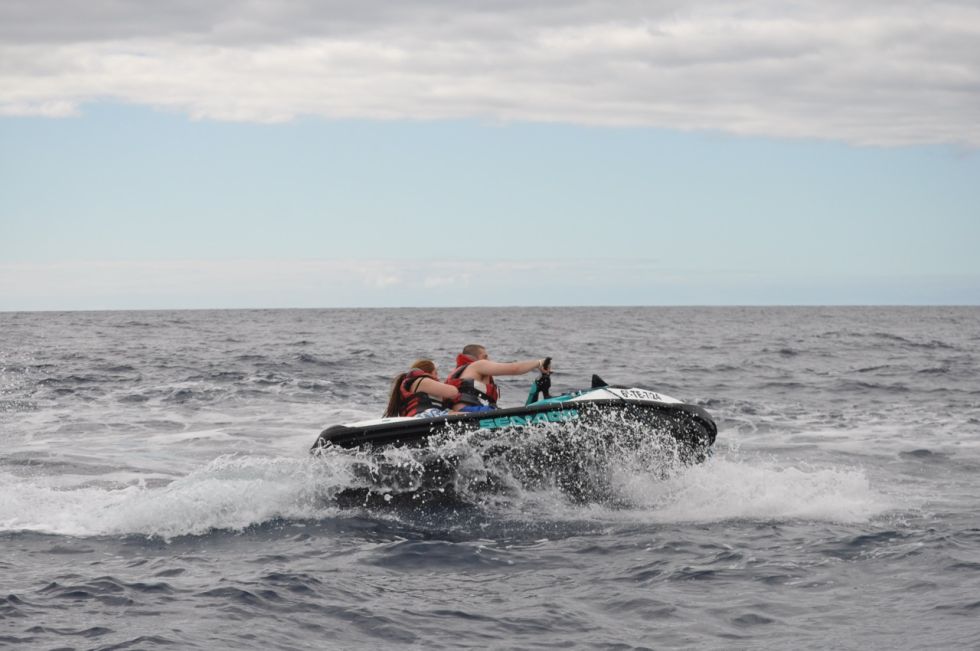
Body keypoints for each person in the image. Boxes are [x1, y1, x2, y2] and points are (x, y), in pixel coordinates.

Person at [446, 344, 551, 412]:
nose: (488, 359)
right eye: (485, 356)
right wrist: (540, 362)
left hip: (466, 412)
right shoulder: (479, 365)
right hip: (470, 411)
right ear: (475, 357)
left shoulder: (461, 371)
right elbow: (515, 369)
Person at [383, 359, 460, 418]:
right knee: (468, 416)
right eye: (435, 373)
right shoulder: (421, 381)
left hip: (419, 416)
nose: (437, 377)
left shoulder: (413, 384)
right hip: (426, 415)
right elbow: (453, 392)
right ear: (428, 372)